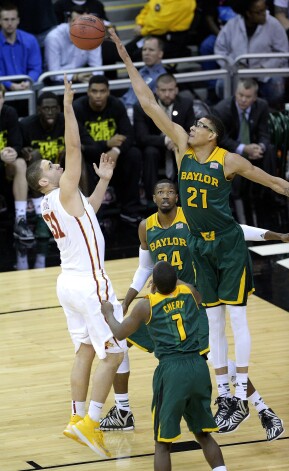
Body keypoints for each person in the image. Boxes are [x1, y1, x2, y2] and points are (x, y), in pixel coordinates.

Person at [108, 26, 289, 435]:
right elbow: (149, 102)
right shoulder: (181, 148)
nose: (190, 127)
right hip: (200, 248)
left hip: (227, 245)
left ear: (213, 134)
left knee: (236, 320)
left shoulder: (228, 161)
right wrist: (124, 56)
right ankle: (227, 393)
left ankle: (240, 392)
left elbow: (276, 184)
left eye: (198, 125)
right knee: (214, 323)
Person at [101, 179, 285, 442]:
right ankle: (122, 411)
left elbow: (234, 229)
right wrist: (127, 300)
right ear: (153, 198)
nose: (165, 196)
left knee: (213, 358)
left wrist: (273, 235)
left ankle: (263, 409)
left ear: (177, 197)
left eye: (170, 192)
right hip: (160, 300)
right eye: (160, 192)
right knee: (118, 343)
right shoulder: (146, 227)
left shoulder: (194, 218)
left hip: (193, 300)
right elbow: (144, 267)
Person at [25, 75, 127, 458]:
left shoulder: (56, 203)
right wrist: (69, 105)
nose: (57, 165)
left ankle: (75, 417)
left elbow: (89, 215)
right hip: (90, 283)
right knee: (114, 353)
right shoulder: (61, 190)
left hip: (68, 283)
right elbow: (73, 147)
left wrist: (102, 183)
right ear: (44, 181)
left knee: (85, 350)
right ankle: (92, 423)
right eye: (51, 166)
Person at [102, 260, 227, 471]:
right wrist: (172, 280)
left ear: (153, 284)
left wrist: (107, 313)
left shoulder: (146, 305)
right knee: (204, 434)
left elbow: (120, 333)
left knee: (162, 443)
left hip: (172, 372)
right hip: (198, 366)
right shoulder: (190, 293)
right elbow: (187, 287)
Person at [20, 91, 96, 237]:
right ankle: (39, 216)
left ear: (59, 109)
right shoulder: (26, 125)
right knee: (34, 155)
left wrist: (72, 150)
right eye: (46, 108)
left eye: (54, 108)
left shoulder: (67, 122)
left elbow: (92, 146)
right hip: (43, 179)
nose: (50, 112)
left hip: (63, 171)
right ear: (39, 109)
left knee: (75, 154)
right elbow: (17, 147)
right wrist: (23, 151)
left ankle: (87, 206)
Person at [73, 75, 143, 223]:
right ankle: (93, 213)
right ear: (88, 92)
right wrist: (107, 144)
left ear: (108, 92)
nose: (98, 95)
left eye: (102, 91)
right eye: (94, 91)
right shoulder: (78, 107)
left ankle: (129, 209)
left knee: (133, 154)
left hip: (113, 155)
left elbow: (129, 135)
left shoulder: (116, 104)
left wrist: (116, 151)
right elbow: (84, 144)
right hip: (90, 157)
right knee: (81, 157)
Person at [212, 78, 275, 225]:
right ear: (235, 93)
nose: (243, 99)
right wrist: (243, 148)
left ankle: (267, 193)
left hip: (254, 150)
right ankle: (236, 199)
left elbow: (265, 133)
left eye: (248, 97)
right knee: (232, 158)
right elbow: (221, 139)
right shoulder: (222, 109)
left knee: (270, 150)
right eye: (240, 95)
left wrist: (260, 147)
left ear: (254, 98)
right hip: (231, 151)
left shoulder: (262, 106)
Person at [214, 0, 289, 108]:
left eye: (265, 10)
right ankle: (234, 110)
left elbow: (283, 52)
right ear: (248, 13)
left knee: (276, 85)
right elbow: (220, 50)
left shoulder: (273, 24)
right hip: (238, 72)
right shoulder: (232, 25)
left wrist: (263, 68)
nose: (264, 14)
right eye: (259, 12)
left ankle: (267, 110)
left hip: (265, 72)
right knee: (222, 84)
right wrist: (235, 66)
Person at [134, 73, 195, 202]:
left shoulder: (186, 104)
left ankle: (185, 197)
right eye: (163, 90)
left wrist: (178, 141)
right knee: (150, 152)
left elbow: (192, 132)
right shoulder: (142, 107)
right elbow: (141, 137)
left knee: (189, 151)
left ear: (176, 90)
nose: (167, 94)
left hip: (180, 147)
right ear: (156, 90)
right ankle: (152, 200)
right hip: (157, 148)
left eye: (170, 90)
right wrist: (166, 140)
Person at [0, 83, 35, 241]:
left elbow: (16, 143)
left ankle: (21, 219)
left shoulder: (9, 113)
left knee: (21, 163)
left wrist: (13, 151)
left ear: (3, 99)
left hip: (6, 164)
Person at [44, 5, 102, 85]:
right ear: (69, 20)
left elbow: (98, 69)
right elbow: (54, 74)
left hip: (83, 76)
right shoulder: (53, 38)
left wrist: (92, 77)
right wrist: (75, 77)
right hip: (60, 80)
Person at [125, 0, 197, 61]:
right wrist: (140, 23)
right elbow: (147, 9)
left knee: (138, 54)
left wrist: (142, 31)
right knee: (123, 51)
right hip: (151, 35)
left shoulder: (184, 2)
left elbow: (161, 26)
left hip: (170, 40)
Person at [121, 36, 167, 124]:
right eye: (144, 49)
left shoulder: (162, 77)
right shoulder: (140, 71)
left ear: (160, 54)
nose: (146, 53)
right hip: (125, 109)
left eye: (151, 50)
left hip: (139, 116)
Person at [0, 2, 42, 91]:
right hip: (3, 88)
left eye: (13, 19)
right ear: (0, 21)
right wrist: (10, 85)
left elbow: (35, 68)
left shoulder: (30, 40)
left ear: (18, 20)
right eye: (6, 19)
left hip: (27, 85)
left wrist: (28, 82)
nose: (10, 23)